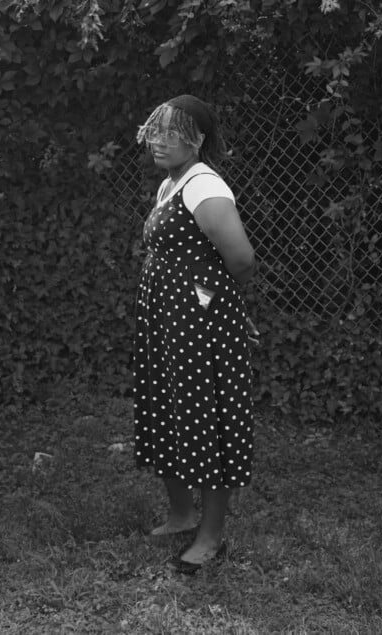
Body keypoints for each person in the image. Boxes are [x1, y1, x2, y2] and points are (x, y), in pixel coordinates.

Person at [132, 94, 257, 574]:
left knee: (205, 416)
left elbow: (240, 259)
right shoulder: (172, 183)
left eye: (172, 132)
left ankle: (209, 536)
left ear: (198, 139)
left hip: (197, 324)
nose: (159, 140)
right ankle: (182, 514)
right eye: (155, 130)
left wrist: (217, 306)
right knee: (169, 406)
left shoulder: (204, 185)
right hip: (170, 321)